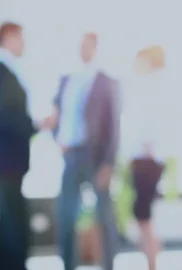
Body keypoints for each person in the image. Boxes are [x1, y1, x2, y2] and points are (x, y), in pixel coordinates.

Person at [50, 32, 121, 270]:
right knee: (65, 215)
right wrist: (57, 139)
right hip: (70, 155)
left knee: (104, 216)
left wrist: (108, 163)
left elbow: (113, 126)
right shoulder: (66, 79)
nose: (83, 49)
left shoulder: (106, 81)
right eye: (80, 45)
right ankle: (67, 265)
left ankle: (109, 265)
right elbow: (57, 115)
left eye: (87, 45)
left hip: (96, 158)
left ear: (96, 48)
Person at [0, 21, 51, 270]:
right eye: (21, 38)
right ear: (8, 37)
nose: (24, 44)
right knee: (11, 229)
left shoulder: (11, 72)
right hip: (5, 164)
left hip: (11, 165)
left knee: (13, 226)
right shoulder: (2, 72)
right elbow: (6, 117)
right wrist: (36, 125)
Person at [122, 45, 169, 270]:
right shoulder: (149, 87)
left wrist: (147, 151)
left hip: (146, 161)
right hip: (144, 159)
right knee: (143, 217)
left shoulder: (153, 87)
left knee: (144, 217)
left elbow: (150, 126)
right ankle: (152, 262)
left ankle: (152, 264)